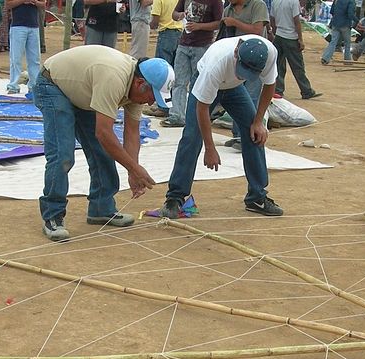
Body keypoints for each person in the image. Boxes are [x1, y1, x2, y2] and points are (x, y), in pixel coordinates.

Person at [33, 48, 174, 240]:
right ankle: (53, 215)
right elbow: (103, 132)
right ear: (140, 83)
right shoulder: (114, 78)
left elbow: (132, 133)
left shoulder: (137, 88)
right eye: (152, 97)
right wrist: (134, 168)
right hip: (52, 85)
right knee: (62, 154)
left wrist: (133, 171)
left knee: (104, 151)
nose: (151, 103)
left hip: (84, 91)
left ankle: (101, 208)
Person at [159, 36, 284, 218]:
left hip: (234, 89)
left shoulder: (269, 54)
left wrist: (258, 121)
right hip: (207, 82)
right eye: (242, 70)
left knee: (254, 134)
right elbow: (202, 108)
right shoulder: (216, 65)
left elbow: (270, 85)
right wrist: (210, 148)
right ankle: (175, 197)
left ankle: (257, 196)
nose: (243, 75)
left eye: (248, 73)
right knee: (192, 137)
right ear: (236, 53)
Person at [162, 0, 224, 127]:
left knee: (198, 83)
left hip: (202, 44)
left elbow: (219, 23)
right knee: (179, 81)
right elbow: (174, 13)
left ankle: (195, 116)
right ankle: (177, 115)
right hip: (184, 43)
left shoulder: (215, 2)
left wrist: (199, 26)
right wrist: (179, 16)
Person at [221, 0, 270, 150]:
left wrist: (235, 22)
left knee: (251, 96)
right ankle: (238, 135)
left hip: (256, 60)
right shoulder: (229, 8)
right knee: (236, 97)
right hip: (238, 60)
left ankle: (248, 137)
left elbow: (257, 30)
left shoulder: (258, 5)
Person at [270, 0, 321, 98]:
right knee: (297, 66)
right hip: (291, 38)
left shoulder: (275, 1)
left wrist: (275, 32)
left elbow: (272, 19)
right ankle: (306, 91)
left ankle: (278, 90)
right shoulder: (293, 2)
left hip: (279, 36)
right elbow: (296, 21)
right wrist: (300, 39)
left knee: (279, 65)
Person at [6, 0, 44, 94]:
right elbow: (8, 4)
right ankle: (13, 85)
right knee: (16, 58)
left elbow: (43, 4)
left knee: (35, 59)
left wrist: (35, 2)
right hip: (18, 26)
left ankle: (34, 85)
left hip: (34, 26)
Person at [151, 0, 184, 65]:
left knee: (162, 65)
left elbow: (155, 22)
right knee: (175, 64)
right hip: (179, 33)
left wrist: (150, 25)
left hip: (166, 33)